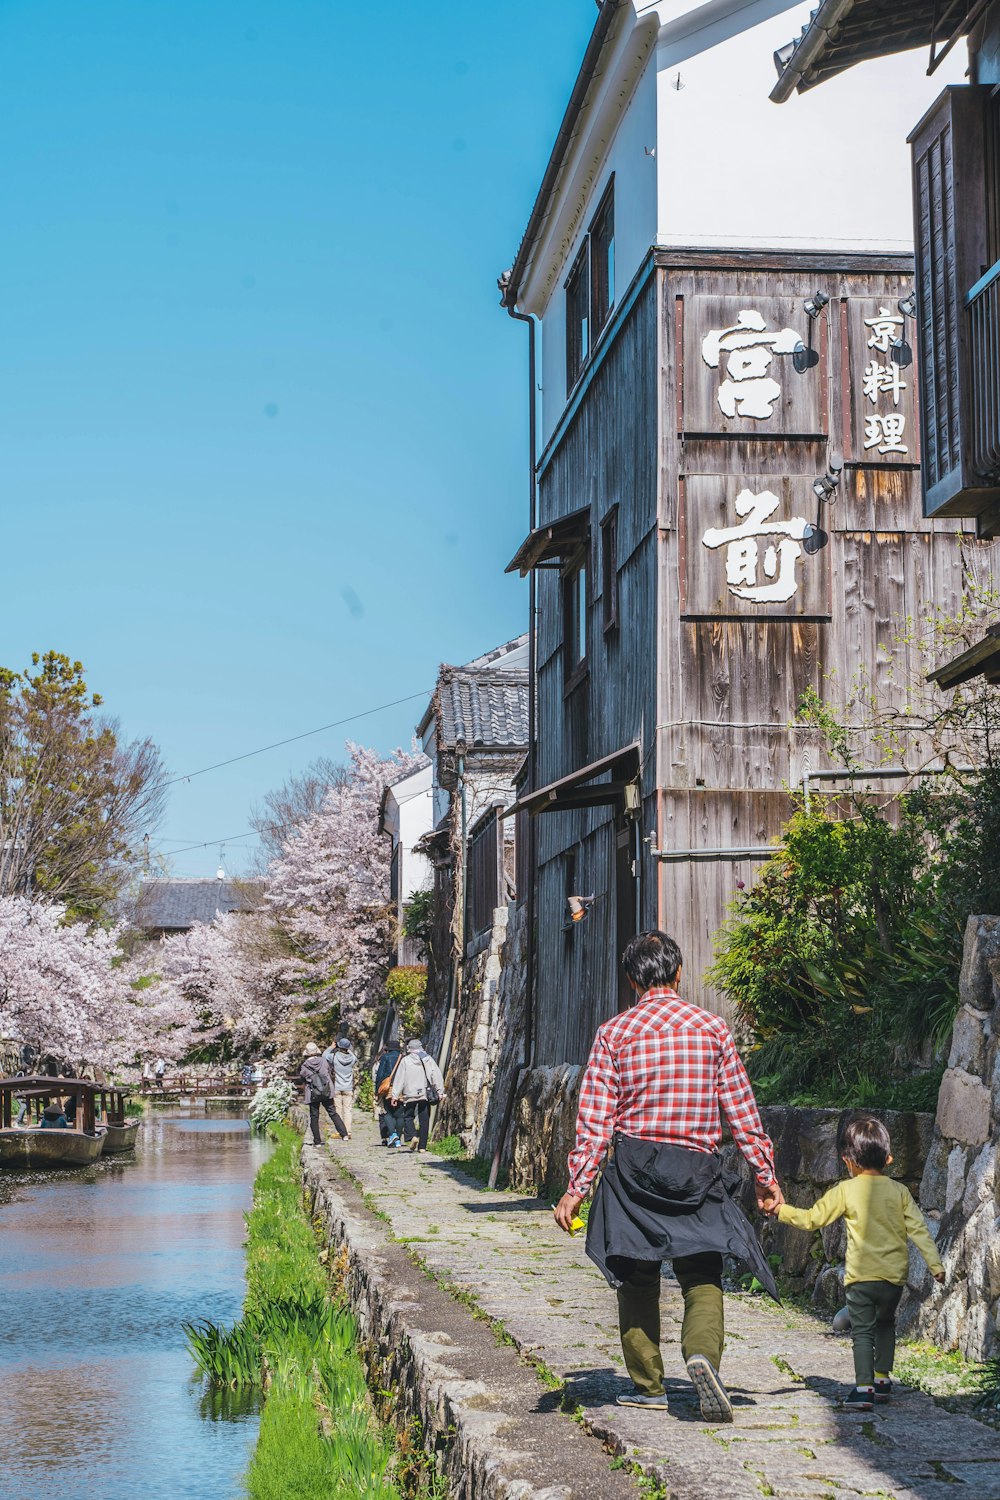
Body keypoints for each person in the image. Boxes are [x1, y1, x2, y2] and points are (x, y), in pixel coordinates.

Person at [553, 931, 782, 1421]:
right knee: (702, 1273)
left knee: (635, 1275)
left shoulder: (614, 1034)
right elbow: (741, 1113)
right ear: (679, 974)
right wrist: (765, 1176)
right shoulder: (712, 1029)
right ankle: (702, 1356)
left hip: (635, 1171)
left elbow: (595, 1124)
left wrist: (576, 1190)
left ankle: (649, 1385)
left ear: (633, 979)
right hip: (696, 1169)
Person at [775, 1114, 945, 1410]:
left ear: (848, 1161)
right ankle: (882, 1380)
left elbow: (812, 1218)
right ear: (888, 1158)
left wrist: (780, 1210)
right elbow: (919, 1230)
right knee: (886, 1325)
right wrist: (935, 1266)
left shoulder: (845, 1190)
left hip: (861, 1279)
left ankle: (863, 1389)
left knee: (863, 1332)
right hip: (893, 1280)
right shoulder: (900, 1192)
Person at [389, 1039, 445, 1154]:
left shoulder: (405, 1061)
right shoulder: (427, 1059)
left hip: (410, 1094)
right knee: (424, 1119)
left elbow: (399, 1079)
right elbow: (436, 1075)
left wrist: (394, 1096)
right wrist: (440, 1091)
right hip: (424, 1094)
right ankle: (422, 1147)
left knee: (408, 1116)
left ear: (409, 1048)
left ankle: (413, 1136)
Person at [299, 1042, 347, 1146]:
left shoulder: (305, 1065)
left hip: (313, 1093)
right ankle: (344, 1134)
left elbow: (302, 1077)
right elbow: (329, 1071)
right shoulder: (324, 1061)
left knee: (314, 1117)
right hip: (326, 1090)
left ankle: (317, 1141)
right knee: (333, 1112)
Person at [323, 1037, 357, 1140]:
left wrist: (331, 1047)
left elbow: (324, 1056)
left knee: (338, 1110)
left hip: (337, 1087)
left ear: (339, 1046)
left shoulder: (334, 1057)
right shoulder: (352, 1059)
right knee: (348, 1110)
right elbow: (354, 1056)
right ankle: (349, 1131)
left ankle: (341, 1132)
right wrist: (349, 1049)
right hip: (348, 1087)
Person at [374, 1042, 403, 1148]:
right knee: (400, 1114)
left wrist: (377, 1090)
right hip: (401, 1089)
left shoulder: (386, 1057)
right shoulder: (403, 1058)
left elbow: (380, 1074)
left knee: (386, 1112)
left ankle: (393, 1134)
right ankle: (398, 1140)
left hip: (389, 1088)